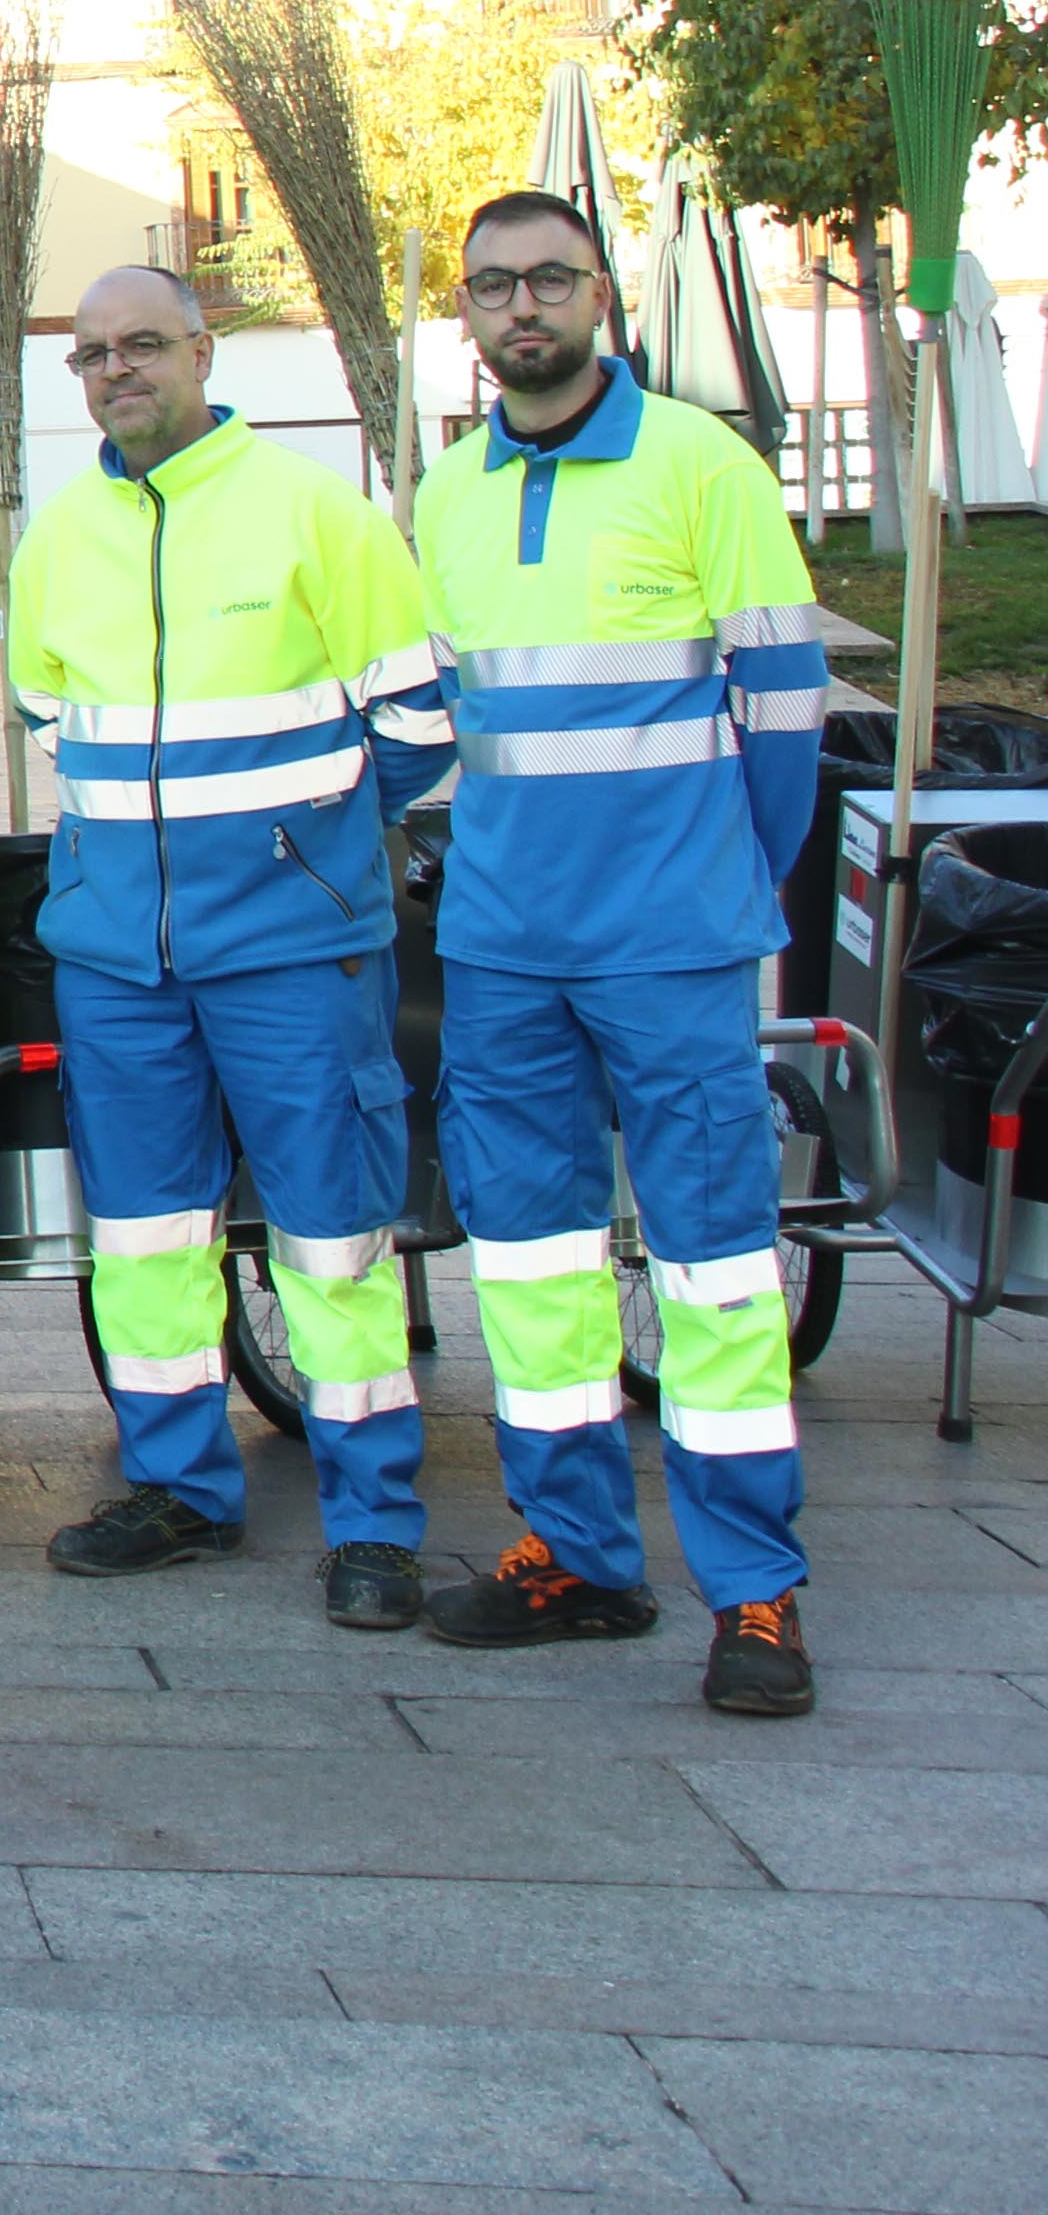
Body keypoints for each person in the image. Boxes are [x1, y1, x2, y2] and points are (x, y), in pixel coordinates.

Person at [409, 191, 828, 1718]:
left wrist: (732, 881)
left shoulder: (701, 465)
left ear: (601, 296)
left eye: (552, 280)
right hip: (508, 944)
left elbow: (784, 713)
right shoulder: (447, 489)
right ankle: (577, 1552)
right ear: (467, 310)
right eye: (495, 285)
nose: (523, 306)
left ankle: (756, 1592)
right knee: (528, 1265)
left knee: (715, 1268)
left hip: (667, 940)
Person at [11, 266, 449, 1625]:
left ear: (205, 351)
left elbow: (417, 732)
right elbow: (45, 717)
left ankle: (373, 1518)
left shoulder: (318, 512)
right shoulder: (58, 533)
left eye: (142, 345)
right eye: (91, 354)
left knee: (333, 1239)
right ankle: (177, 1487)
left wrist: (293, 852)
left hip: (291, 950)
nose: (115, 371)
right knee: (142, 1241)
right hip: (118, 959)